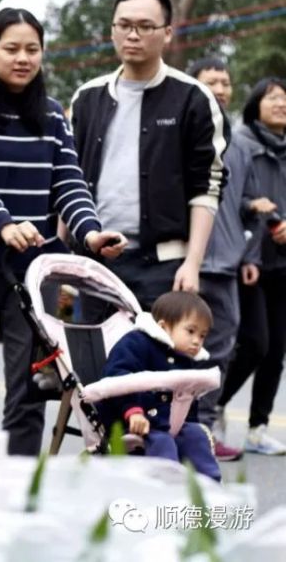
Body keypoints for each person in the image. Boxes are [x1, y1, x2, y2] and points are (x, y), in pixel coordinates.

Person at [0, 8, 126, 455]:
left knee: (29, 392)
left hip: (34, 275)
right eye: (12, 49)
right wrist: (3, 224)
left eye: (32, 49)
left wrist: (90, 234)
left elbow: (69, 182)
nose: (23, 58)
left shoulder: (53, 116)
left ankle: (19, 494)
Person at [70, 0, 227, 311]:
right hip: (96, 262)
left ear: (167, 33)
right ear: (112, 30)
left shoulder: (192, 98)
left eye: (145, 26)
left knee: (156, 361)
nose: (133, 35)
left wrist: (192, 264)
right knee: (93, 361)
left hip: (165, 267)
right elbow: (69, 180)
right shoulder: (87, 98)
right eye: (123, 25)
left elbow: (207, 187)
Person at [189, 58, 271, 462]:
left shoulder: (238, 143)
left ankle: (202, 428)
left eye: (225, 82)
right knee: (181, 350)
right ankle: (174, 429)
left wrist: (249, 255)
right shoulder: (186, 132)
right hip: (186, 261)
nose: (220, 89)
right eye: (211, 82)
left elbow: (247, 205)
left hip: (226, 263)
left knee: (221, 349)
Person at [215, 77, 286, 455]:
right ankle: (215, 405)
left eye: (285, 99)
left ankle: (258, 427)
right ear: (255, 104)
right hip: (249, 259)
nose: (281, 104)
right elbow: (238, 200)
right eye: (273, 98)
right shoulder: (240, 143)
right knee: (254, 343)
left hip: (282, 263)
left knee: (277, 351)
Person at [101, 291, 221, 482]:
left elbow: (186, 397)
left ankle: (209, 487)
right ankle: (167, 490)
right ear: (163, 327)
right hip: (134, 419)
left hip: (169, 421)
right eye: (190, 331)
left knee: (195, 435)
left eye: (202, 335)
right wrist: (133, 411)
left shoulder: (185, 357)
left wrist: (188, 422)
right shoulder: (137, 342)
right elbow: (118, 377)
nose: (197, 341)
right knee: (162, 442)